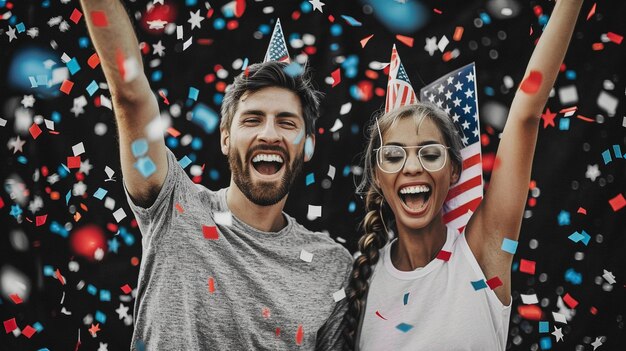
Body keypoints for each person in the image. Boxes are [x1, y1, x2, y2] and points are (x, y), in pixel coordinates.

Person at [79, 1, 352, 349]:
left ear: (308, 146)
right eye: (252, 119)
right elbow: (131, 96)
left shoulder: (332, 266)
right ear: (225, 137)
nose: (269, 134)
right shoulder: (175, 208)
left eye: (286, 122)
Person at [343, 0, 584, 350]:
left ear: (454, 170)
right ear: (378, 177)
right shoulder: (358, 279)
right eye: (394, 156)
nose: (413, 167)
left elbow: (526, 115)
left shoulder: (482, 255)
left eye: (430, 153)